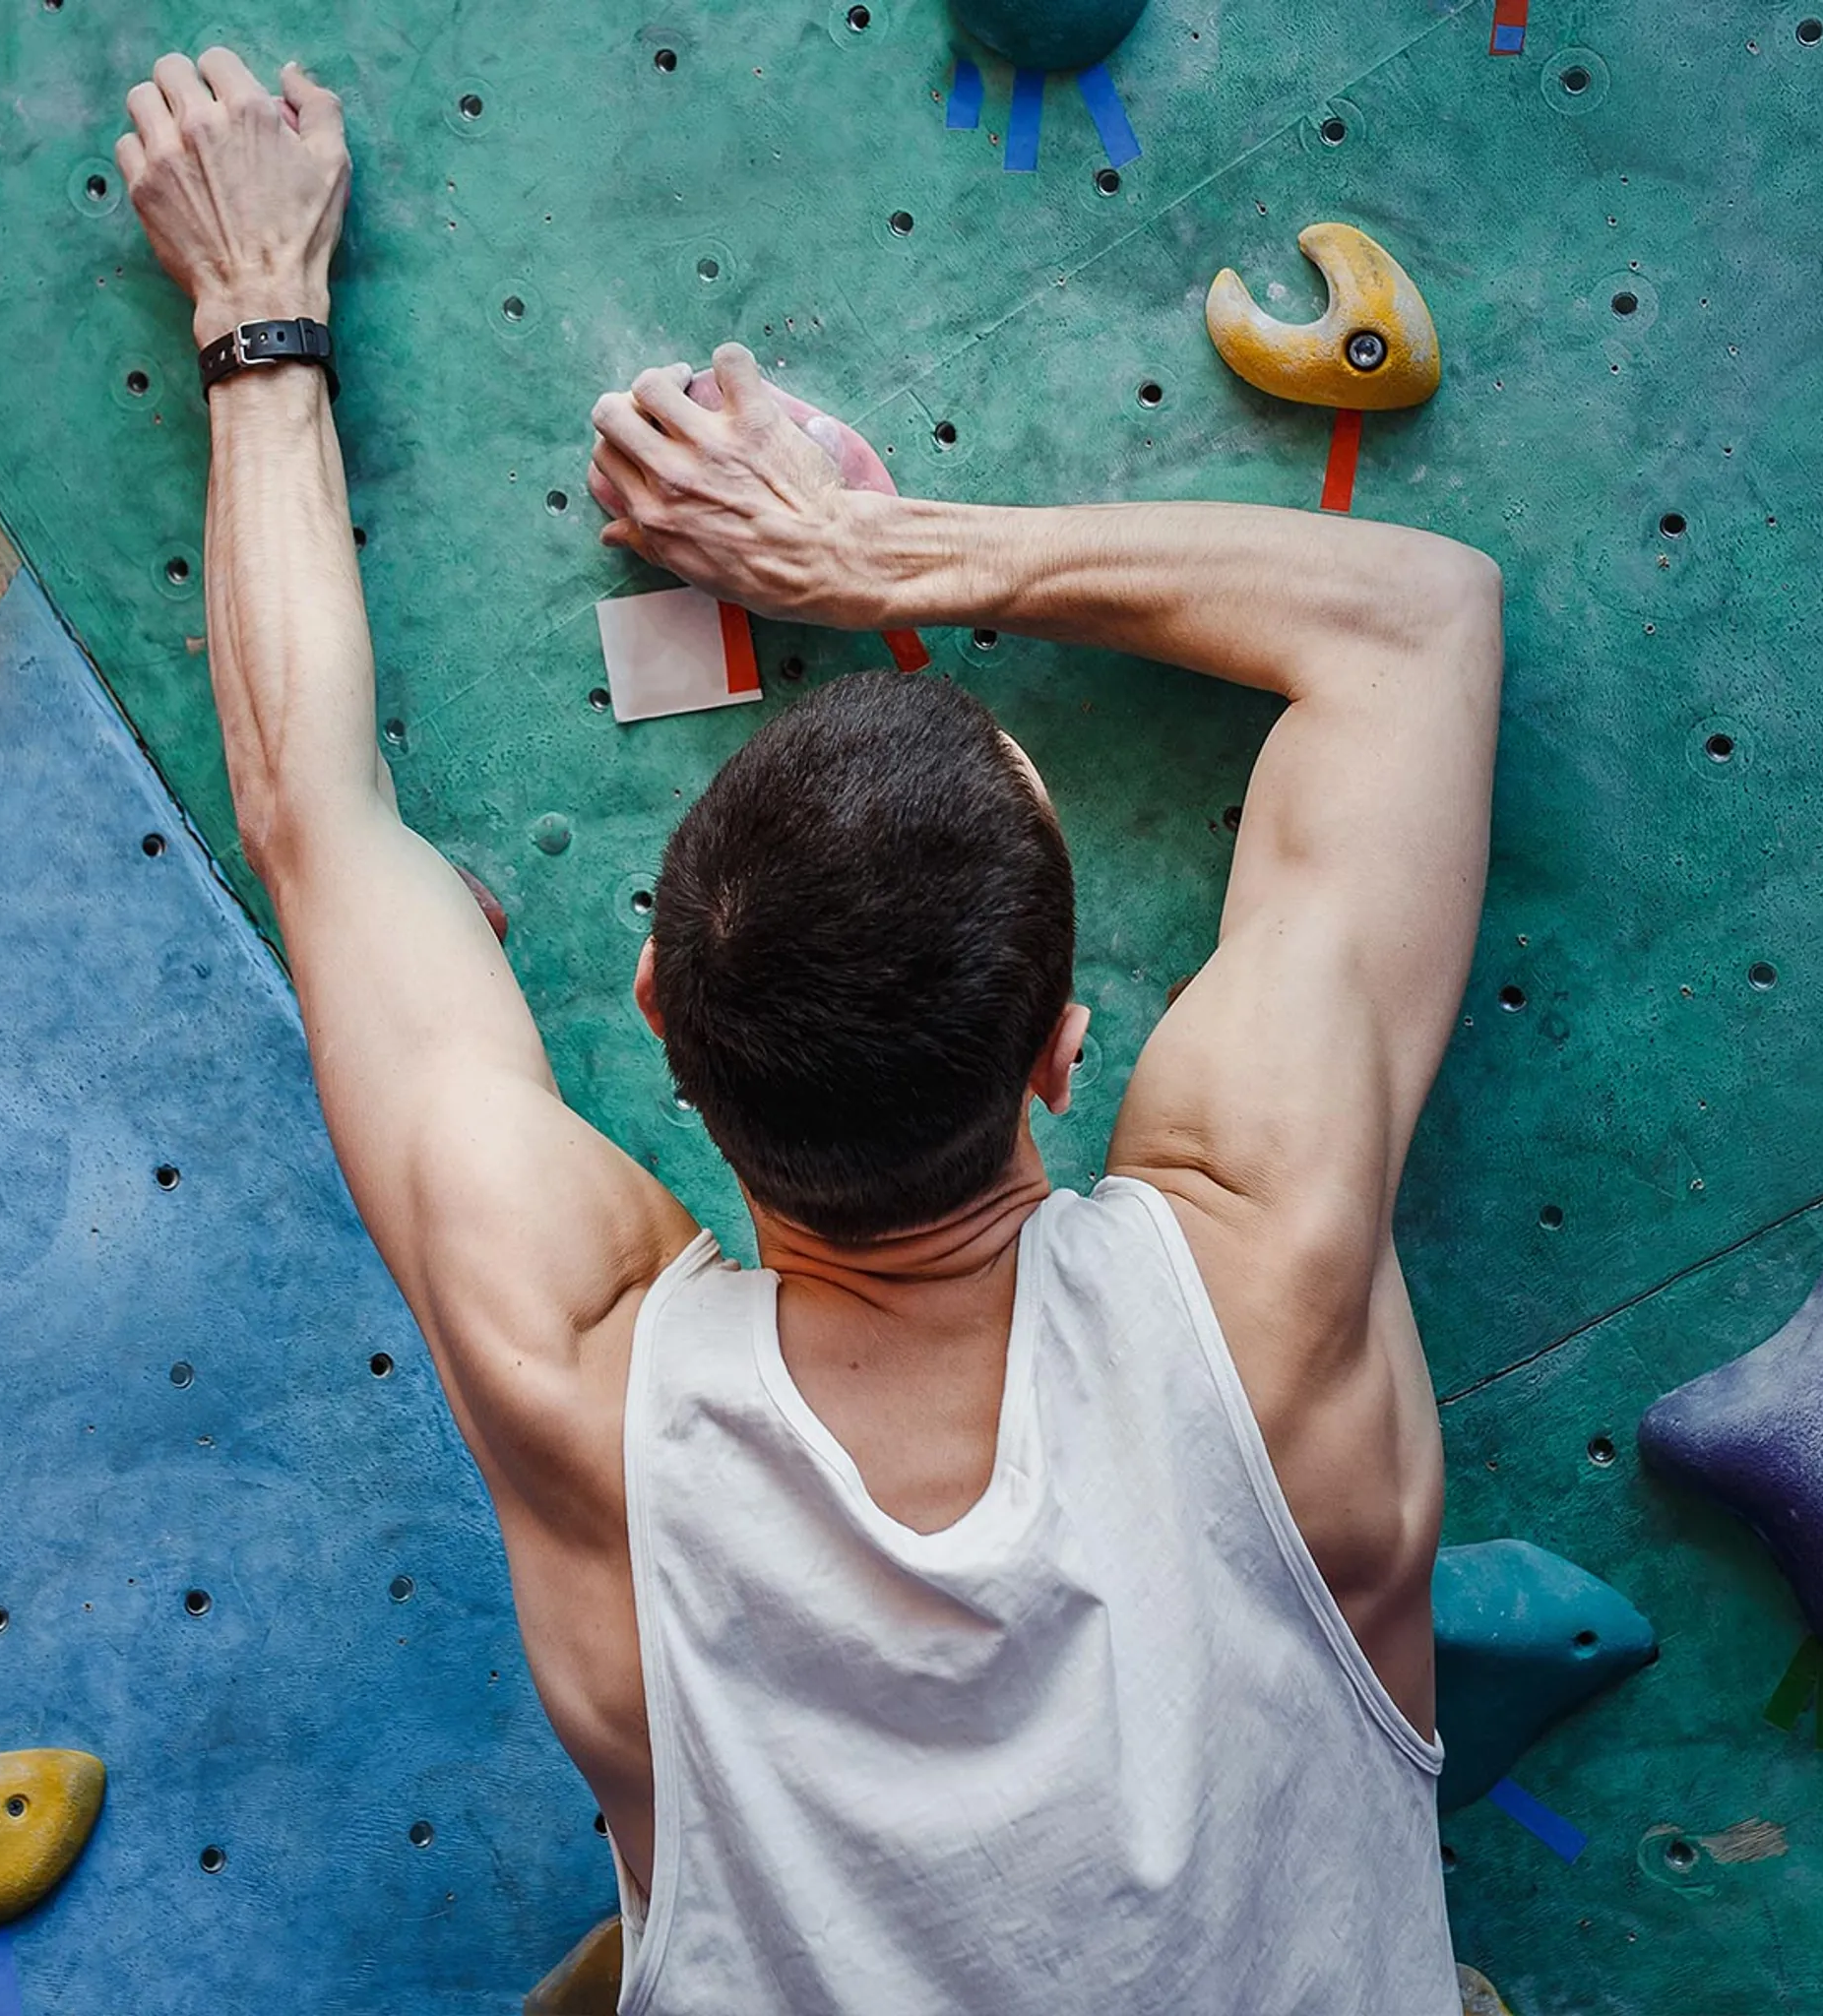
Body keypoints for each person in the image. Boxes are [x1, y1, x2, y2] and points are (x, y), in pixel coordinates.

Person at [116, 48, 1502, 2016]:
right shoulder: (1260, 1255)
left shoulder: (581, 1381)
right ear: (1064, 1053)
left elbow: (310, 827)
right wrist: (867, 555)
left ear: (654, 1012)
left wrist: (258, 306)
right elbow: (1416, 625)